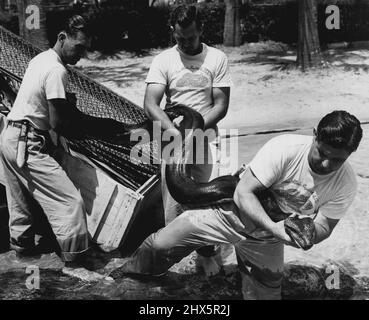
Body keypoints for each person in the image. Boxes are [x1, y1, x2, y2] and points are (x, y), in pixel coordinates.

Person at [110, 110, 362, 300]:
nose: (326, 165)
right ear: (315, 136)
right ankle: (123, 276)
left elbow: (324, 226)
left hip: (267, 236)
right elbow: (243, 193)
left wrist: (308, 236)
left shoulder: (346, 183)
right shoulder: (285, 148)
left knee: (265, 296)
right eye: (322, 153)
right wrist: (277, 230)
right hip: (231, 211)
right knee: (158, 247)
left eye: (337, 160)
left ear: (351, 154)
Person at [143, 4, 232, 275]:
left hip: (205, 137)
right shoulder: (163, 61)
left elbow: (220, 105)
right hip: (173, 141)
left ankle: (206, 255)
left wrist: (193, 132)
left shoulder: (217, 58)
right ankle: (176, 260)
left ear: (201, 30)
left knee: (205, 201)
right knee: (174, 203)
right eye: (179, 38)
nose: (184, 43)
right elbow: (151, 104)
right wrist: (176, 135)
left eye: (190, 38)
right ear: (173, 31)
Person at [0, 15, 92, 264]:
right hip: (26, 142)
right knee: (70, 201)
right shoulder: (57, 70)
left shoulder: (40, 59)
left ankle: (23, 258)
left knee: (20, 202)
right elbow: (56, 123)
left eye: (85, 49)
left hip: (9, 136)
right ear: (62, 38)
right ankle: (77, 261)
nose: (80, 55)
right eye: (78, 47)